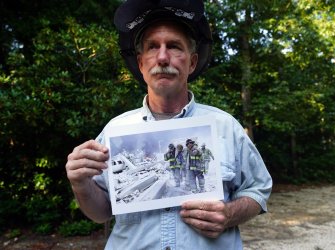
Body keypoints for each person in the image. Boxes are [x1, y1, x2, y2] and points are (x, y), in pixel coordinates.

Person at [65, 0, 272, 249]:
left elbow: (258, 190)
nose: (162, 57)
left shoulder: (225, 127)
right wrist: (81, 183)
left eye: (174, 47)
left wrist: (229, 214)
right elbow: (101, 213)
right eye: (153, 47)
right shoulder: (114, 131)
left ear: (192, 62)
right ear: (141, 64)